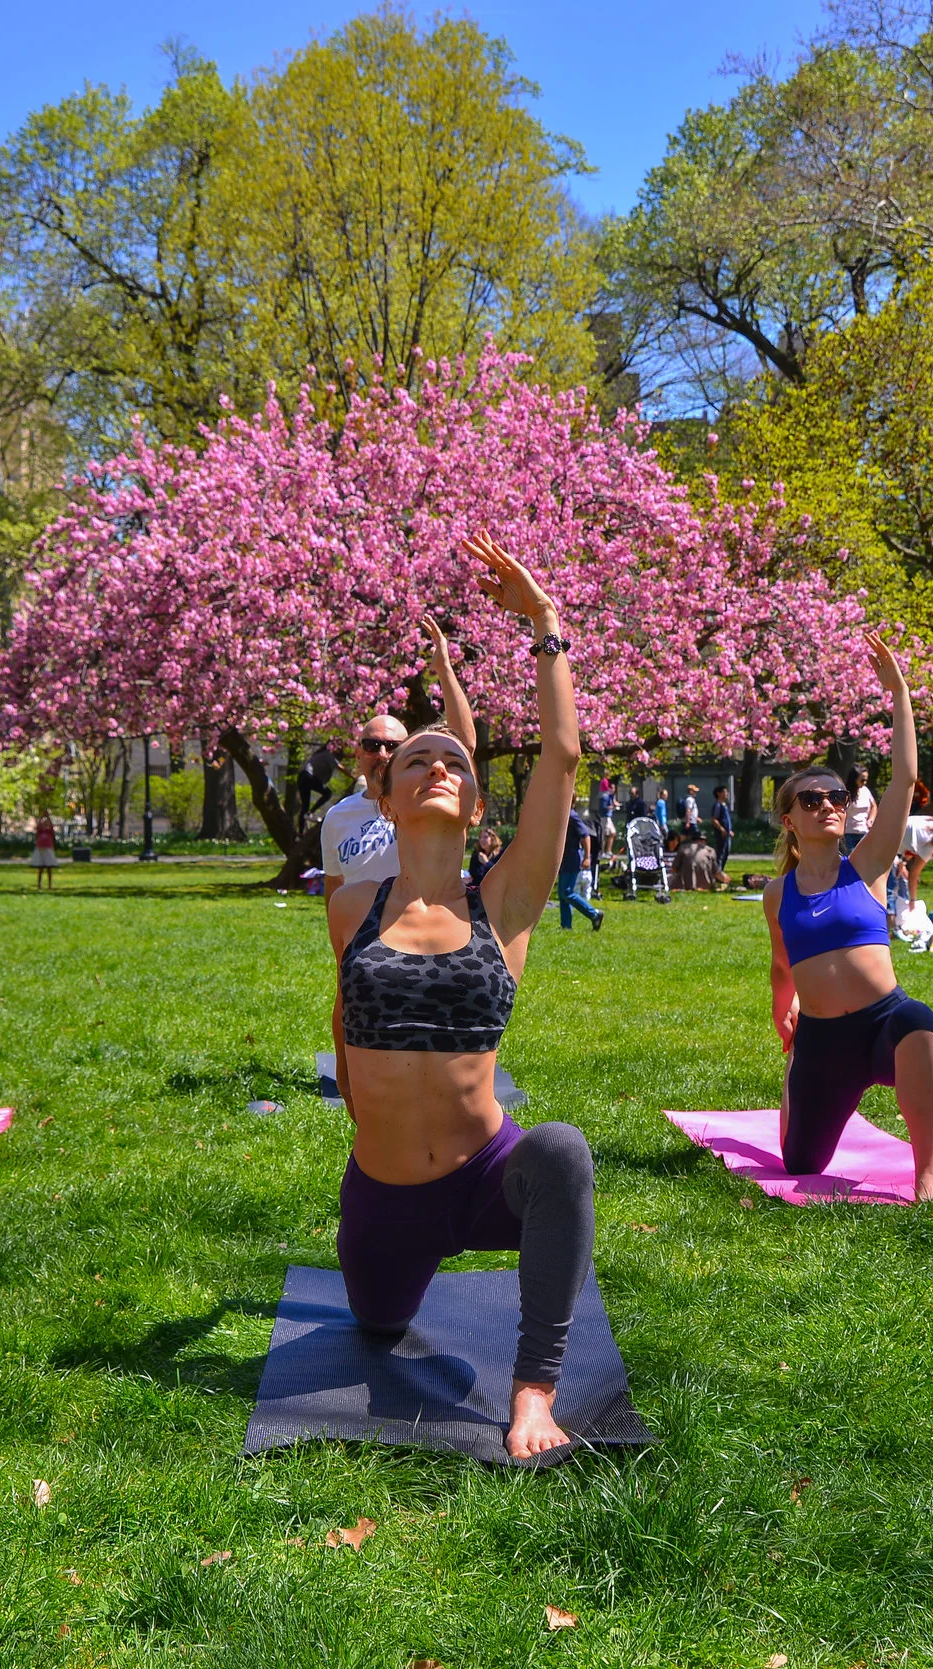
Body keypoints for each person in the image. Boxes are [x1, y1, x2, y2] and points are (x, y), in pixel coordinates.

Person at [328, 531, 599, 1460]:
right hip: (383, 1195)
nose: (438, 767)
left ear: (478, 806)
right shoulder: (352, 906)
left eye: (456, 763)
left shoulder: (506, 903)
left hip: (489, 1175)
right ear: (387, 799)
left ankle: (533, 1390)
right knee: (373, 1324)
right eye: (417, 761)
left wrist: (546, 625)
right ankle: (386, 1254)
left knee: (561, 1150)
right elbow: (342, 1014)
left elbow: (561, 758)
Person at [761, 631, 933, 1200]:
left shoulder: (866, 866)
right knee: (800, 1162)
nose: (827, 805)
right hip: (823, 1042)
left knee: (919, 1021)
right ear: (790, 820)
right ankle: (800, 1077)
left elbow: (904, 778)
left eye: (836, 798)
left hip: (883, 1023)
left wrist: (899, 695)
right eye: (812, 800)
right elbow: (782, 963)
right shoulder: (777, 894)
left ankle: (926, 1173)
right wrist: (785, 1016)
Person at [324, 618, 476, 1109]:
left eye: (394, 745)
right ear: (358, 753)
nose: (383, 752)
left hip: (431, 924)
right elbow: (333, 888)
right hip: (364, 933)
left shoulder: (421, 802)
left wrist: (444, 669)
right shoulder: (338, 818)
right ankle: (355, 1091)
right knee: (350, 1012)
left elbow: (464, 745)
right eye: (373, 744)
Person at [558, 809, 603, 930]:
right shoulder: (562, 814)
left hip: (572, 859)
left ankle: (594, 914)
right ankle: (566, 926)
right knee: (562, 894)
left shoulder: (572, 816)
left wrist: (587, 857)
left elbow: (585, 836)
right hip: (564, 858)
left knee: (567, 892)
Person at [841, 766, 875, 857]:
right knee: (851, 860)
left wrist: (871, 819)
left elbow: (873, 806)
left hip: (864, 832)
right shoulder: (845, 793)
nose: (864, 783)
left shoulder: (865, 791)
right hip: (848, 833)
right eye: (862, 780)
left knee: (865, 859)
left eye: (866, 780)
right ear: (854, 779)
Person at [29, 814, 59, 889]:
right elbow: (38, 826)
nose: (45, 824)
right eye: (44, 823)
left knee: (49, 869)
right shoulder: (40, 831)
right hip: (40, 850)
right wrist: (42, 816)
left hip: (48, 850)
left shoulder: (49, 831)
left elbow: (51, 826)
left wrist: (48, 817)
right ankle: (39, 885)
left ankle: (49, 885)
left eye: (46, 823)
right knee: (40, 869)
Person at [710, 785, 734, 876]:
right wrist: (721, 829)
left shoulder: (724, 805)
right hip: (721, 834)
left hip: (727, 834)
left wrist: (729, 830)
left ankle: (721, 871)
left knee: (726, 853)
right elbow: (714, 819)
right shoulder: (718, 805)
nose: (727, 794)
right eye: (724, 792)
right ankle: (717, 873)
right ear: (718, 793)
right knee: (720, 853)